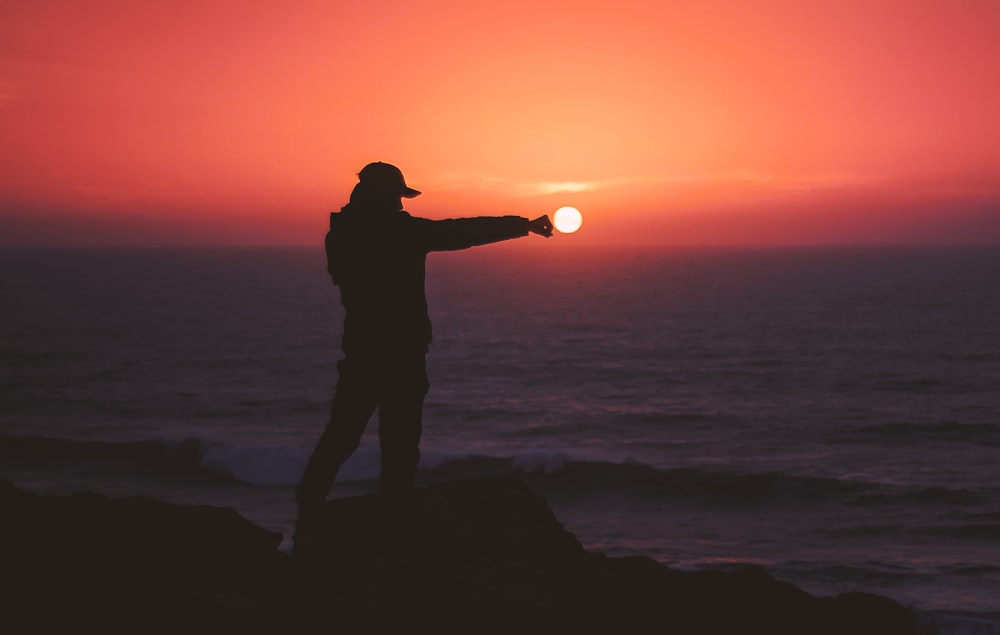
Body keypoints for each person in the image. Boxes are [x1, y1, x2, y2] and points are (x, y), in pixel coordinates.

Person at [294, 162, 552, 550]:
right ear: (384, 196)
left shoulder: (341, 234)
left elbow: (450, 232)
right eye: (397, 196)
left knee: (341, 437)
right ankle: (395, 520)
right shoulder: (398, 233)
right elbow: (460, 231)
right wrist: (523, 224)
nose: (401, 204)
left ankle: (310, 516)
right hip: (399, 352)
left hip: (362, 350)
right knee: (399, 441)